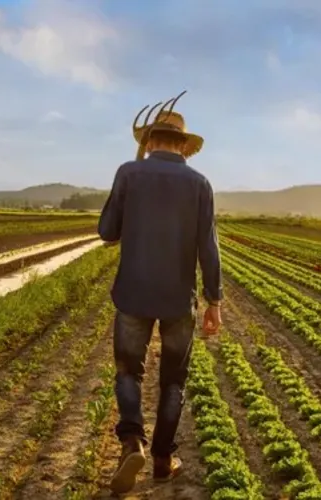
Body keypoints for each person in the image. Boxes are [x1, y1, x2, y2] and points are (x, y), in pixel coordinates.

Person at [98, 108, 223, 494]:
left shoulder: (128, 173)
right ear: (183, 145)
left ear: (149, 142)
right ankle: (162, 461)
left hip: (133, 294)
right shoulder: (200, 183)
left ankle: (132, 441)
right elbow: (209, 247)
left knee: (127, 372)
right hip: (177, 301)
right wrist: (213, 301)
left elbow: (107, 232)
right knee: (173, 382)